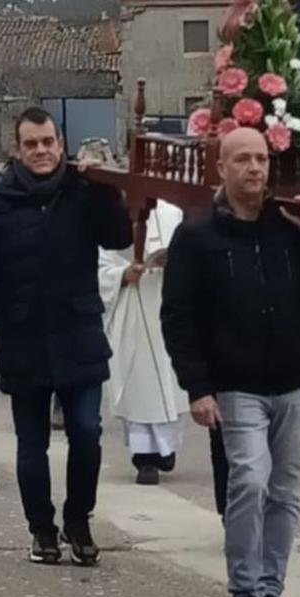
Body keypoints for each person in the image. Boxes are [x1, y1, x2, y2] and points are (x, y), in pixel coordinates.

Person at [162, 127, 300, 597]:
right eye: (242, 159)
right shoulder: (197, 236)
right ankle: (244, 590)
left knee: (285, 489)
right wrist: (196, 387)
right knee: (249, 479)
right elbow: (178, 316)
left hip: (294, 378)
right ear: (221, 168)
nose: (254, 169)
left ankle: (270, 590)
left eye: (261, 159)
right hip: (236, 381)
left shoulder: (290, 225)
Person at [0, 107, 131, 565]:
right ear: (17, 150)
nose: (41, 151)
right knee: (31, 443)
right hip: (23, 336)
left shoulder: (83, 190)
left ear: (61, 143)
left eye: (48, 142)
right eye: (31, 144)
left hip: (79, 332)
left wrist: (106, 191)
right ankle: (42, 530)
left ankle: (79, 520)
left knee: (86, 433)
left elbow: (118, 236)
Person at [98, 200, 189, 485]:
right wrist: (122, 275)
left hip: (169, 301)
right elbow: (98, 264)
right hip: (131, 308)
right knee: (139, 381)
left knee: (172, 381)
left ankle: (167, 448)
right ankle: (144, 458)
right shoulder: (110, 214)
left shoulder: (173, 211)